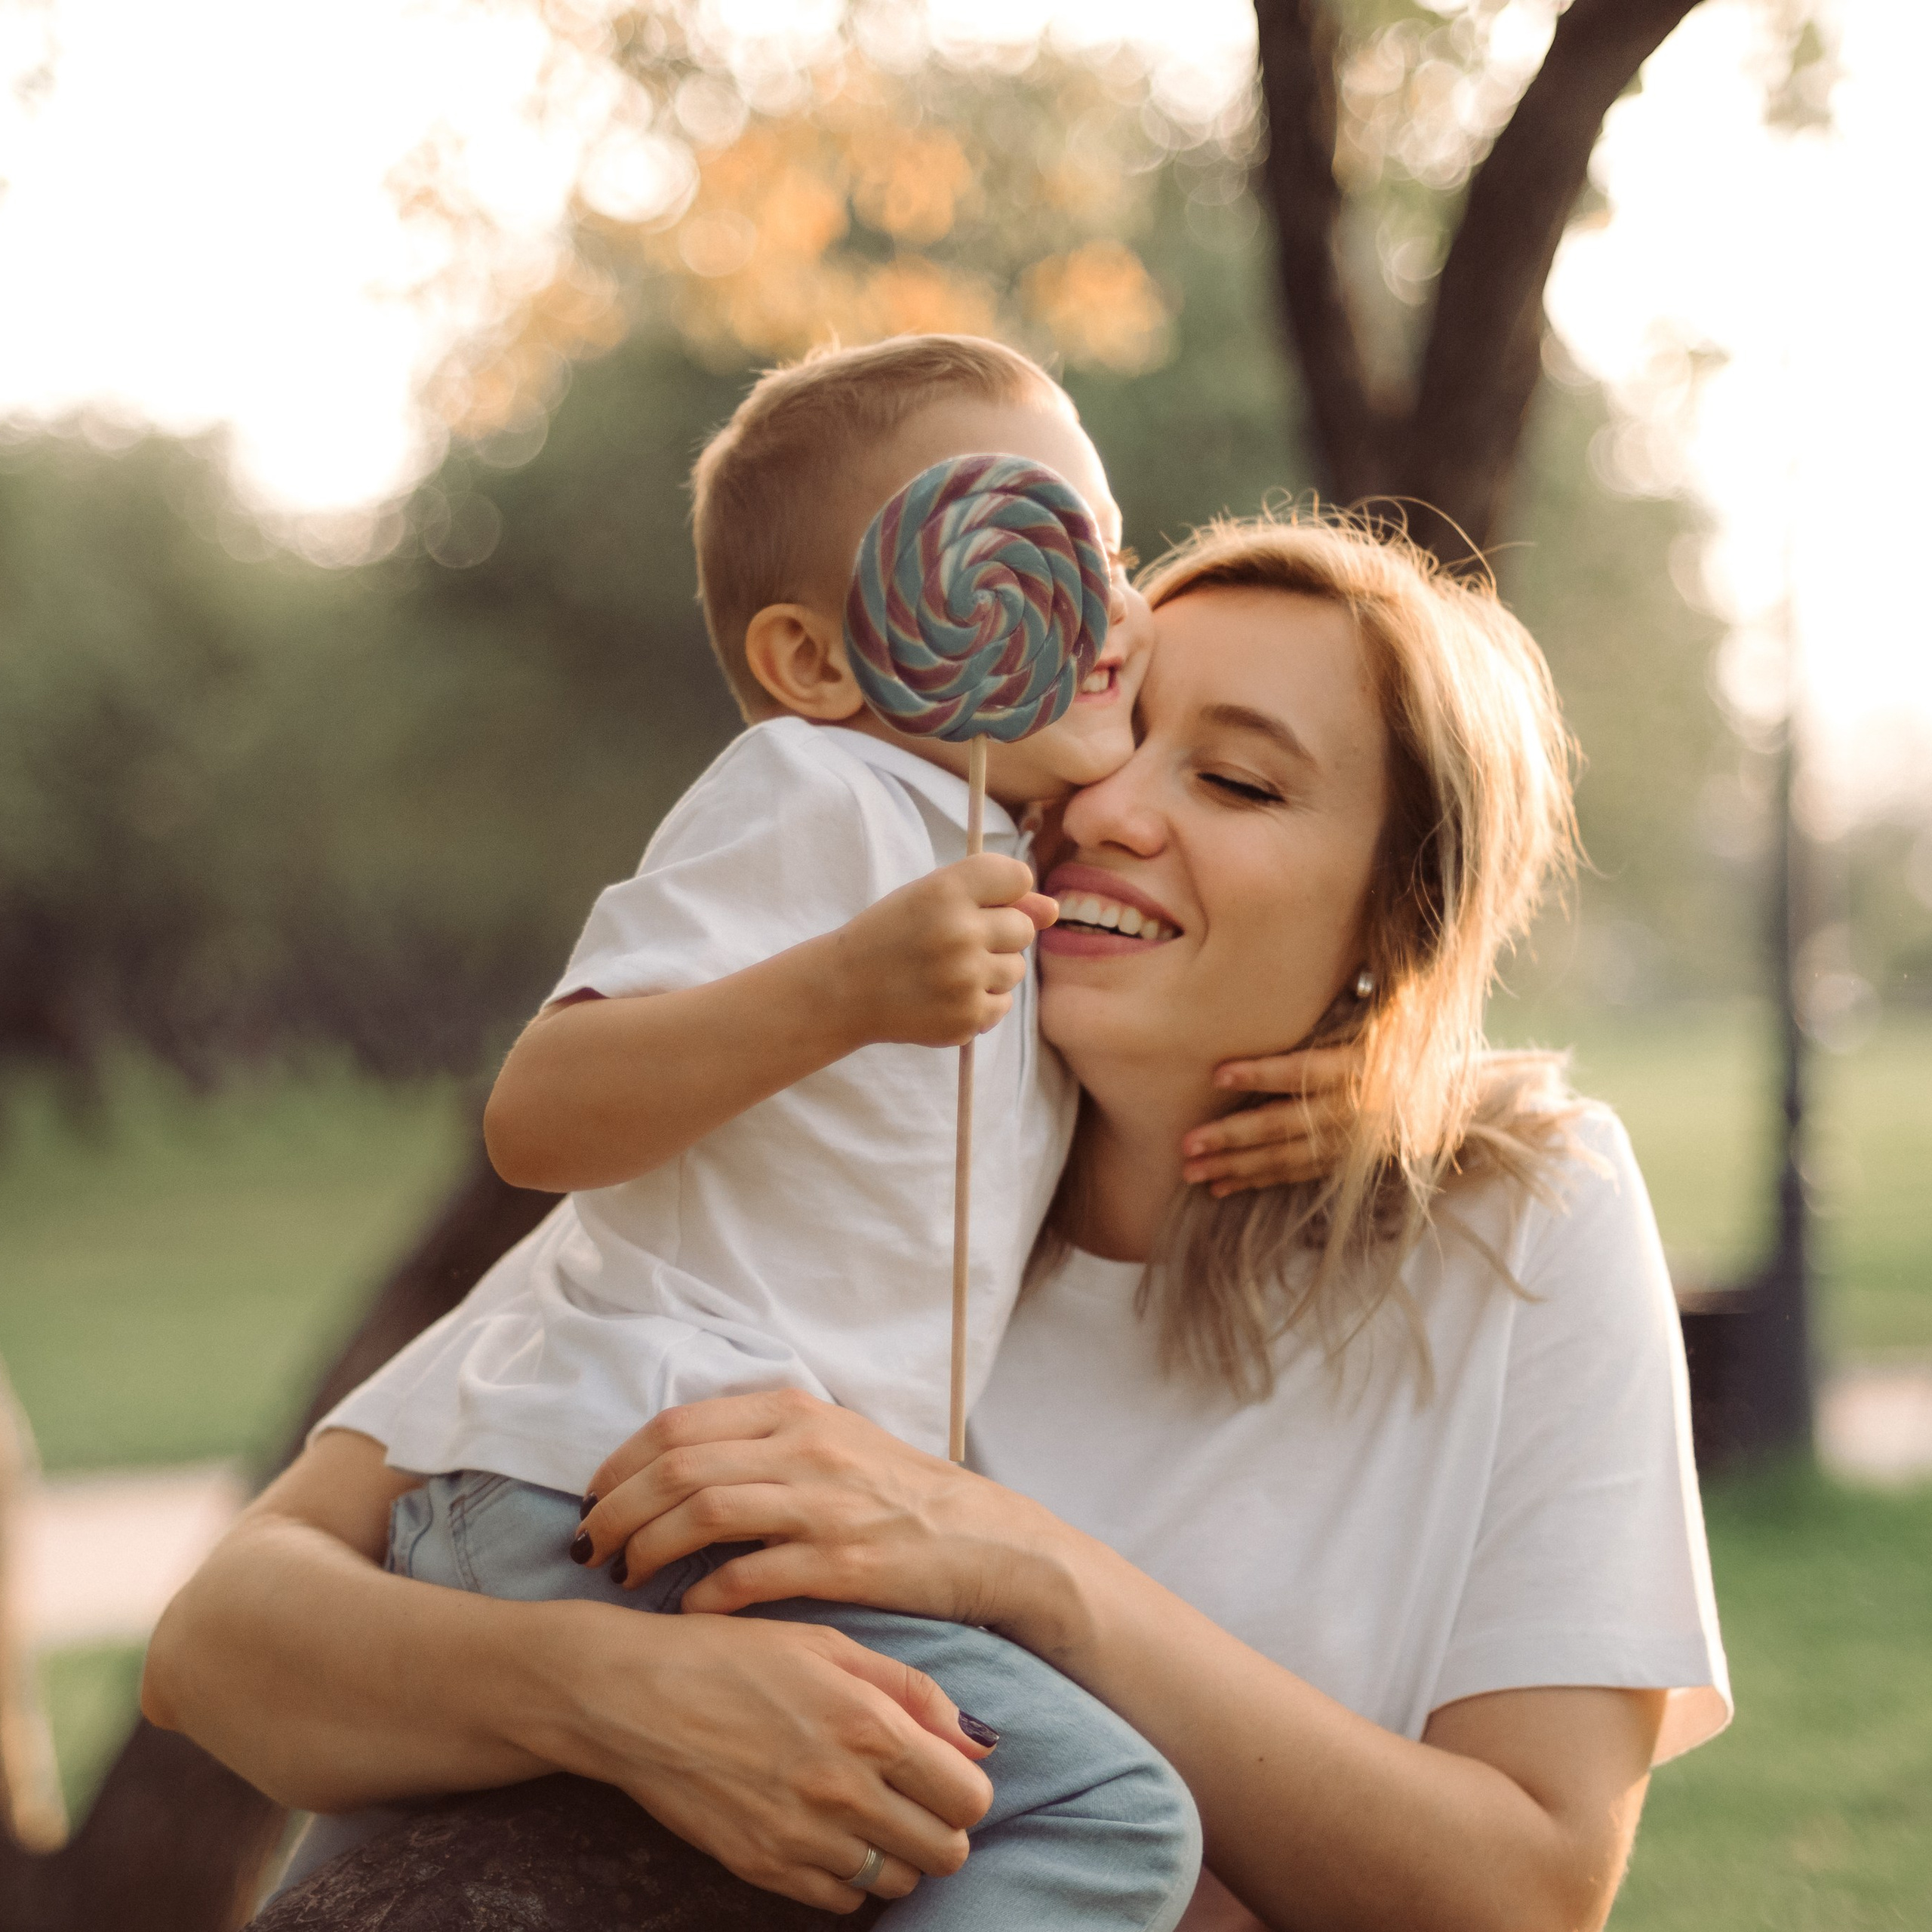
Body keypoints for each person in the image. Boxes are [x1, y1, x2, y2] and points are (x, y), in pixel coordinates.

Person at [145, 511, 1728, 1932]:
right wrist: (620, 1691)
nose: (1108, 805)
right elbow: (220, 1639)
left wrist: (1019, 1563)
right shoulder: (798, 1152)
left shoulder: (1520, 1218)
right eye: (1108, 724)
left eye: (1236, 778)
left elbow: (1527, 1891)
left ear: (1400, 915)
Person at [259, 333, 1229, 1930]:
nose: (1109, 609)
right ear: (817, 662)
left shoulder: (1008, 859)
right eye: (1025, 553)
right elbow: (538, 1113)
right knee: (1099, 1815)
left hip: (613, 1505)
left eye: (1109, 555)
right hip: (637, 1485)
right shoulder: (815, 791)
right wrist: (843, 987)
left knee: (383, 1881)